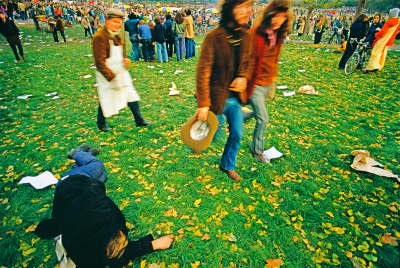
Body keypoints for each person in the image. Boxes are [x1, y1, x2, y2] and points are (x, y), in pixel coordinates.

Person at [34, 144, 173, 268]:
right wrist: (154, 244)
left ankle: (79, 156)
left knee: (99, 169)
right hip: (74, 196)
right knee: (100, 170)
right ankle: (79, 155)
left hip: (70, 185)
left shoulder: (94, 214)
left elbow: (92, 185)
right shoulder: (94, 259)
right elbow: (123, 255)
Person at [195, 0, 253, 181]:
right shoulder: (214, 37)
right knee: (210, 136)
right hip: (216, 98)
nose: (247, 11)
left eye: (249, 6)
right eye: (241, 7)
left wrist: (243, 76)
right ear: (230, 9)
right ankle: (200, 130)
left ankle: (227, 165)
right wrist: (203, 104)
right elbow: (203, 72)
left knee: (236, 134)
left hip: (236, 100)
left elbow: (249, 62)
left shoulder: (247, 37)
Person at [246, 0, 292, 163]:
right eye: (276, 16)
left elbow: (274, 57)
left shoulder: (278, 35)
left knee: (263, 107)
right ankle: (257, 151)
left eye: (283, 17)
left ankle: (245, 114)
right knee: (263, 119)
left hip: (269, 81)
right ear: (269, 16)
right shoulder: (254, 35)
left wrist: (273, 74)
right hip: (256, 83)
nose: (279, 20)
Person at [93, 9, 152, 132]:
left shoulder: (116, 35)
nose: (117, 25)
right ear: (107, 21)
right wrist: (111, 77)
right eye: (114, 21)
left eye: (119, 22)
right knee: (106, 97)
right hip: (107, 73)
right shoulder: (100, 37)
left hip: (119, 70)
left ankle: (139, 120)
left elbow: (119, 51)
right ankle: (101, 123)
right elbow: (99, 62)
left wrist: (124, 58)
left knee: (131, 93)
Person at [364, 8, 400, 73]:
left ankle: (370, 68)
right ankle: (378, 67)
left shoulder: (389, 22)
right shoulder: (398, 22)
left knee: (375, 53)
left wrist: (376, 34)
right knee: (383, 54)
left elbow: (382, 32)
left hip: (383, 40)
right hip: (389, 40)